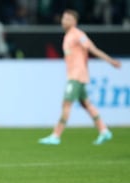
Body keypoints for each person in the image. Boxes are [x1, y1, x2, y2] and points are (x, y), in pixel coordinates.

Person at [38, 9, 121, 145]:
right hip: (77, 75)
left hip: (76, 76)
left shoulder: (78, 35)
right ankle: (104, 130)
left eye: (68, 19)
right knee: (86, 104)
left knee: (66, 104)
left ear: (74, 21)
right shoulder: (68, 36)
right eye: (63, 18)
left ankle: (56, 135)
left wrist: (111, 61)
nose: (64, 21)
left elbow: (92, 49)